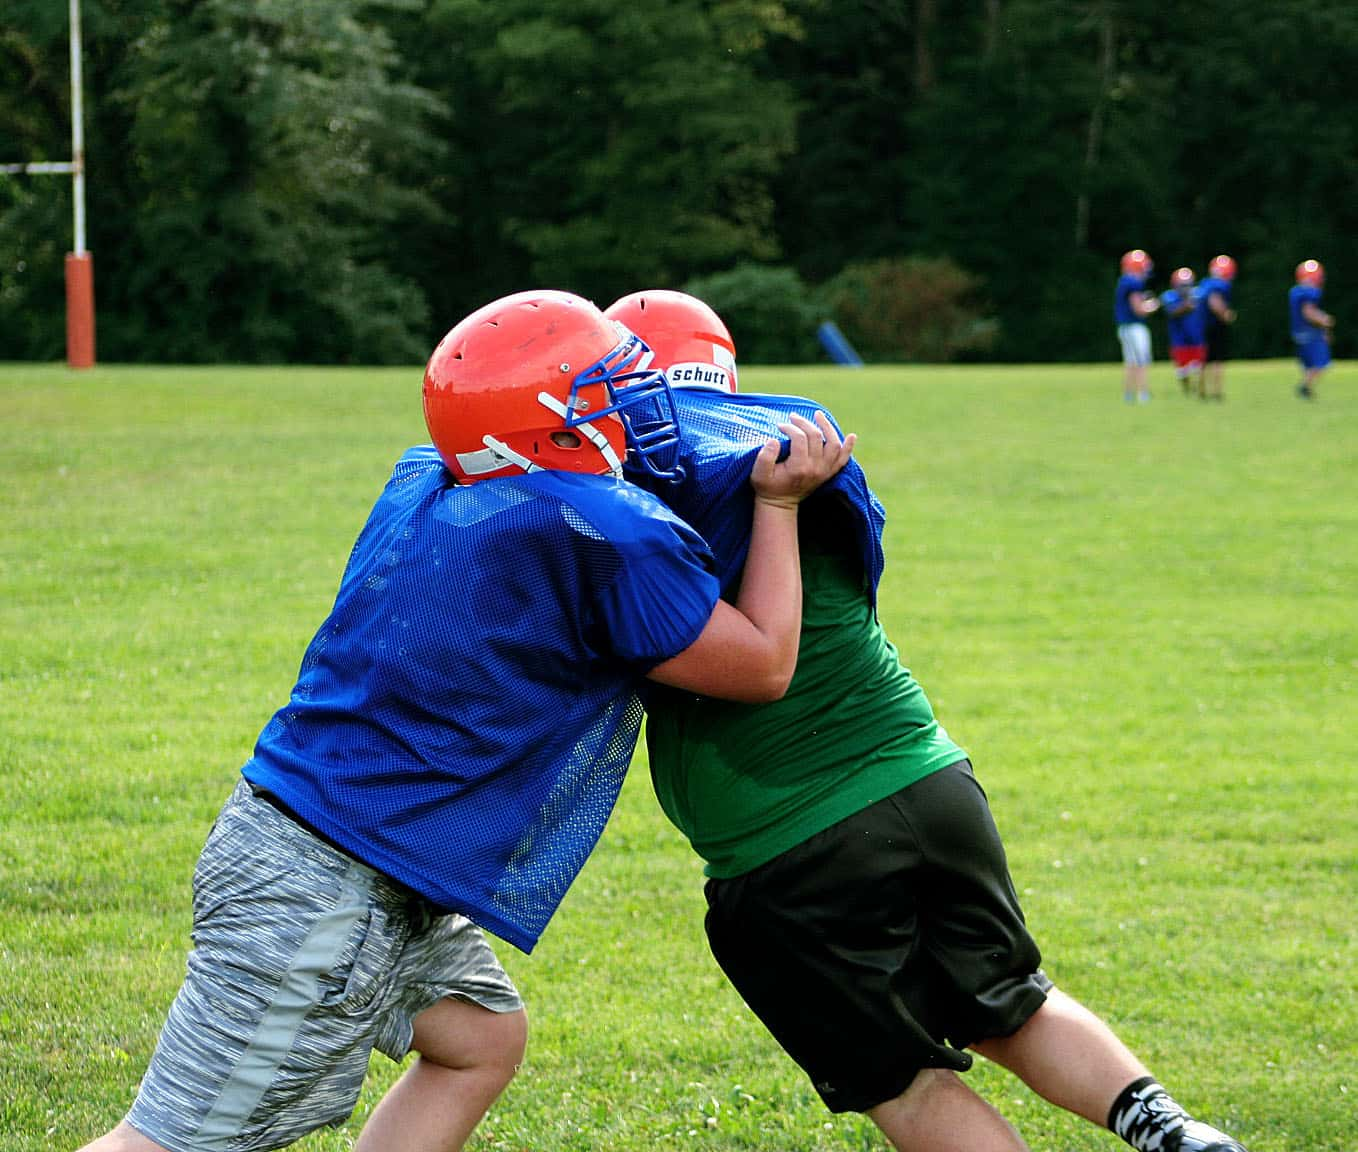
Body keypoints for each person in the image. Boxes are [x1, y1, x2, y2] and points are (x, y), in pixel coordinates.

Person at [75, 289, 855, 1152]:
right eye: (609, 396)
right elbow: (762, 663)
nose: (637, 414)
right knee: (171, 1140)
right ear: (544, 430)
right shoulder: (596, 527)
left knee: (480, 1040)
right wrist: (778, 506)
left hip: (339, 848)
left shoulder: (429, 481)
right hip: (328, 882)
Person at [605, 287, 1253, 1152]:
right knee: (1012, 1001)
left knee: (904, 1082)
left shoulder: (629, 523)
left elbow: (720, 659)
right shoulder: (784, 462)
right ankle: (1171, 1132)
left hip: (792, 850)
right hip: (929, 783)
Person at [1113, 249, 1161, 404]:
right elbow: (1139, 309)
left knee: (1131, 362)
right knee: (1141, 361)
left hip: (1125, 327)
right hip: (1134, 327)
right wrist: (1154, 305)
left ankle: (1128, 395)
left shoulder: (1124, 281)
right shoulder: (1133, 282)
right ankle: (1142, 394)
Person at [1289, 259, 1335, 400]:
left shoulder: (1296, 291)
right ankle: (1304, 387)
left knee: (1308, 364)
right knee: (1321, 362)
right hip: (1311, 332)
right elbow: (1309, 312)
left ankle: (1306, 388)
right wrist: (1324, 320)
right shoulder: (1311, 292)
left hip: (1298, 332)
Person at [1160, 266, 1206, 397]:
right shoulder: (1170, 297)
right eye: (1182, 285)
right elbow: (1173, 312)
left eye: (1187, 285)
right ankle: (1187, 391)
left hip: (1197, 338)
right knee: (1183, 371)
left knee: (1200, 367)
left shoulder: (1199, 295)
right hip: (1179, 340)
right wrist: (1187, 305)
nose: (1185, 288)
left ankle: (1199, 391)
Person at [1198, 254, 1238, 401]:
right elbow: (1214, 302)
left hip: (1203, 325)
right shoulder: (1219, 285)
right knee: (1217, 360)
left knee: (1204, 360)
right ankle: (1216, 392)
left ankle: (1202, 390)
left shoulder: (1205, 283)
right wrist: (1226, 314)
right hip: (1215, 326)